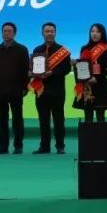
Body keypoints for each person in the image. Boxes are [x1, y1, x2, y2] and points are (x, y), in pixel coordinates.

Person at [29, 22, 71, 155]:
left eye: (52, 31)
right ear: (42, 33)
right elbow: (33, 67)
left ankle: (60, 146)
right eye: (47, 31)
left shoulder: (62, 51)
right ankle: (44, 146)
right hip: (41, 90)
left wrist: (52, 73)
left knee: (59, 119)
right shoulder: (37, 50)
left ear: (55, 33)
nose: (50, 33)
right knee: (43, 120)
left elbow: (66, 69)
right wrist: (32, 73)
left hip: (57, 90)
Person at [0, 21, 29, 154]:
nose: (6, 33)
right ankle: (3, 146)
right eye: (4, 31)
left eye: (9, 31)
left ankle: (18, 145)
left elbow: (25, 70)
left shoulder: (22, 49)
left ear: (14, 33)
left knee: (17, 119)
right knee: (2, 120)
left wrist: (25, 87)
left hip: (16, 89)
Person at [73, 23, 107, 123]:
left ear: (102, 34)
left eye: (98, 32)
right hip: (87, 85)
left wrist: (96, 78)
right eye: (92, 31)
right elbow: (83, 65)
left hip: (100, 84)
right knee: (88, 116)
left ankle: (102, 134)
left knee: (100, 117)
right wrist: (75, 63)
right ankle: (89, 134)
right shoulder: (84, 48)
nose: (94, 34)